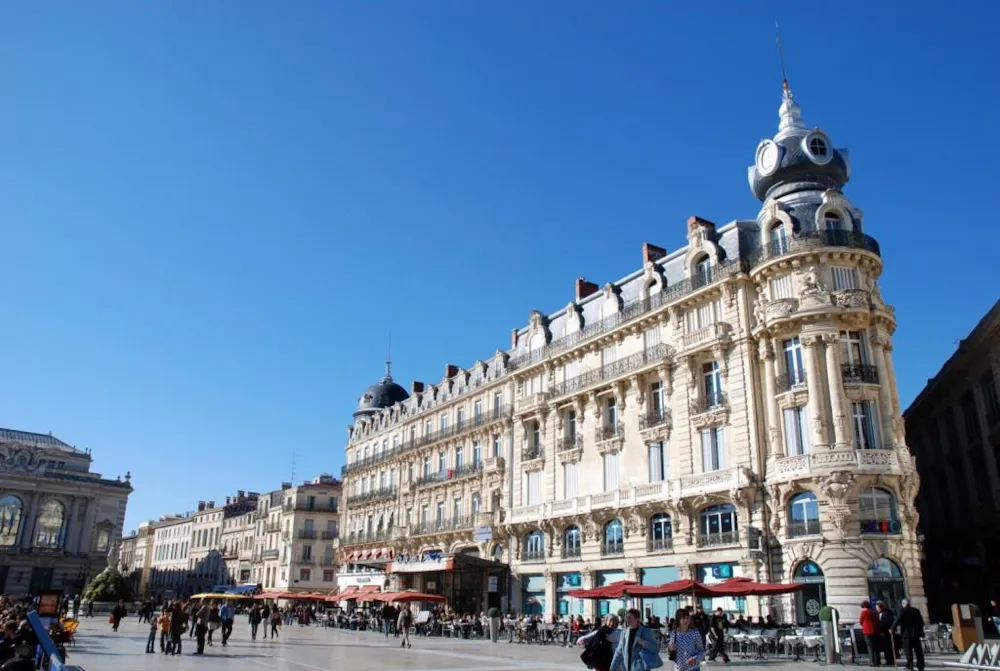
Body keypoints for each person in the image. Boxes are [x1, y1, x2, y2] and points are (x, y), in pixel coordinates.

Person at [893, 598, 925, 671]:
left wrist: (892, 629)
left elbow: (897, 620)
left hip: (906, 634)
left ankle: (910, 666)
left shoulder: (903, 611)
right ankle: (921, 665)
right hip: (916, 633)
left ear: (903, 604)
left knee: (908, 651)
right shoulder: (916, 611)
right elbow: (921, 622)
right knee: (918, 650)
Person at [859, 601, 880, 667]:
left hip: (867, 631)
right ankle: (877, 661)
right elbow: (877, 621)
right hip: (875, 631)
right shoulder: (874, 612)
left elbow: (860, 621)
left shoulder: (864, 613)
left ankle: (872, 662)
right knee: (876, 647)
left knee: (870, 647)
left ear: (864, 606)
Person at [876, 601, 896, 667]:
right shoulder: (880, 613)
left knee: (888, 647)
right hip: (883, 632)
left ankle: (890, 660)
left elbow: (886, 623)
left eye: (877, 608)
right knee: (885, 647)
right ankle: (888, 660)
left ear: (880, 607)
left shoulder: (886, 613)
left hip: (886, 632)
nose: (877, 609)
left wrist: (883, 631)